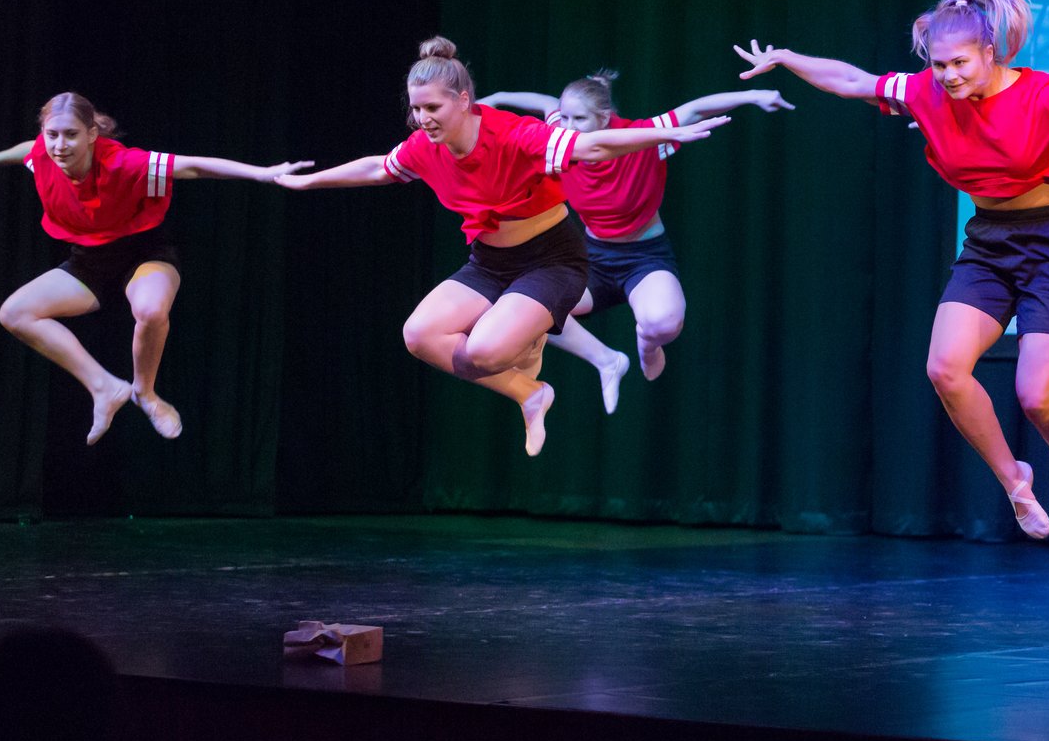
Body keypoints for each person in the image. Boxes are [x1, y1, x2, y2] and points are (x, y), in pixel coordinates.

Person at [734, 0, 1049, 539]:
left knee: (1035, 397)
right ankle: (1015, 481)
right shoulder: (924, 91)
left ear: (989, 52)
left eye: (960, 63)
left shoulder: (1044, 94)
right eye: (940, 64)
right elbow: (854, 81)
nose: (949, 76)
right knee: (945, 369)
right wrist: (787, 58)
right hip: (989, 243)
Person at [277, 38, 726, 455]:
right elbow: (379, 168)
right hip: (490, 262)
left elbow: (590, 147)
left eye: (432, 107)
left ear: (463, 100)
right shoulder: (424, 147)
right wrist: (310, 182)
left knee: (484, 352)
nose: (422, 118)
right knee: (419, 335)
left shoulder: (511, 134)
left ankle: (529, 339)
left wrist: (661, 134)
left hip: (552, 260)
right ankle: (530, 394)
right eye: (416, 109)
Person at [0, 93, 310, 444]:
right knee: (15, 313)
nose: (59, 145)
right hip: (90, 261)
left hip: (144, 252)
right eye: (52, 135)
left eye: (71, 135)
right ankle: (104, 387)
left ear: (92, 134)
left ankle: (145, 393)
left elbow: (192, 166)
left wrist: (262, 174)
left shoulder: (125, 163)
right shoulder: (43, 154)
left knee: (151, 310)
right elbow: (28, 150)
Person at [481, 75, 793, 413]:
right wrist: (498, 96)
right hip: (592, 258)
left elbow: (695, 110)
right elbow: (546, 104)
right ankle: (607, 360)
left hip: (643, 256)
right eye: (565, 117)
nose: (568, 126)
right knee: (527, 313)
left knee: (664, 323)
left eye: (579, 119)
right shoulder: (562, 139)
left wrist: (754, 95)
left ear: (604, 118)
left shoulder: (643, 138)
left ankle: (647, 344)